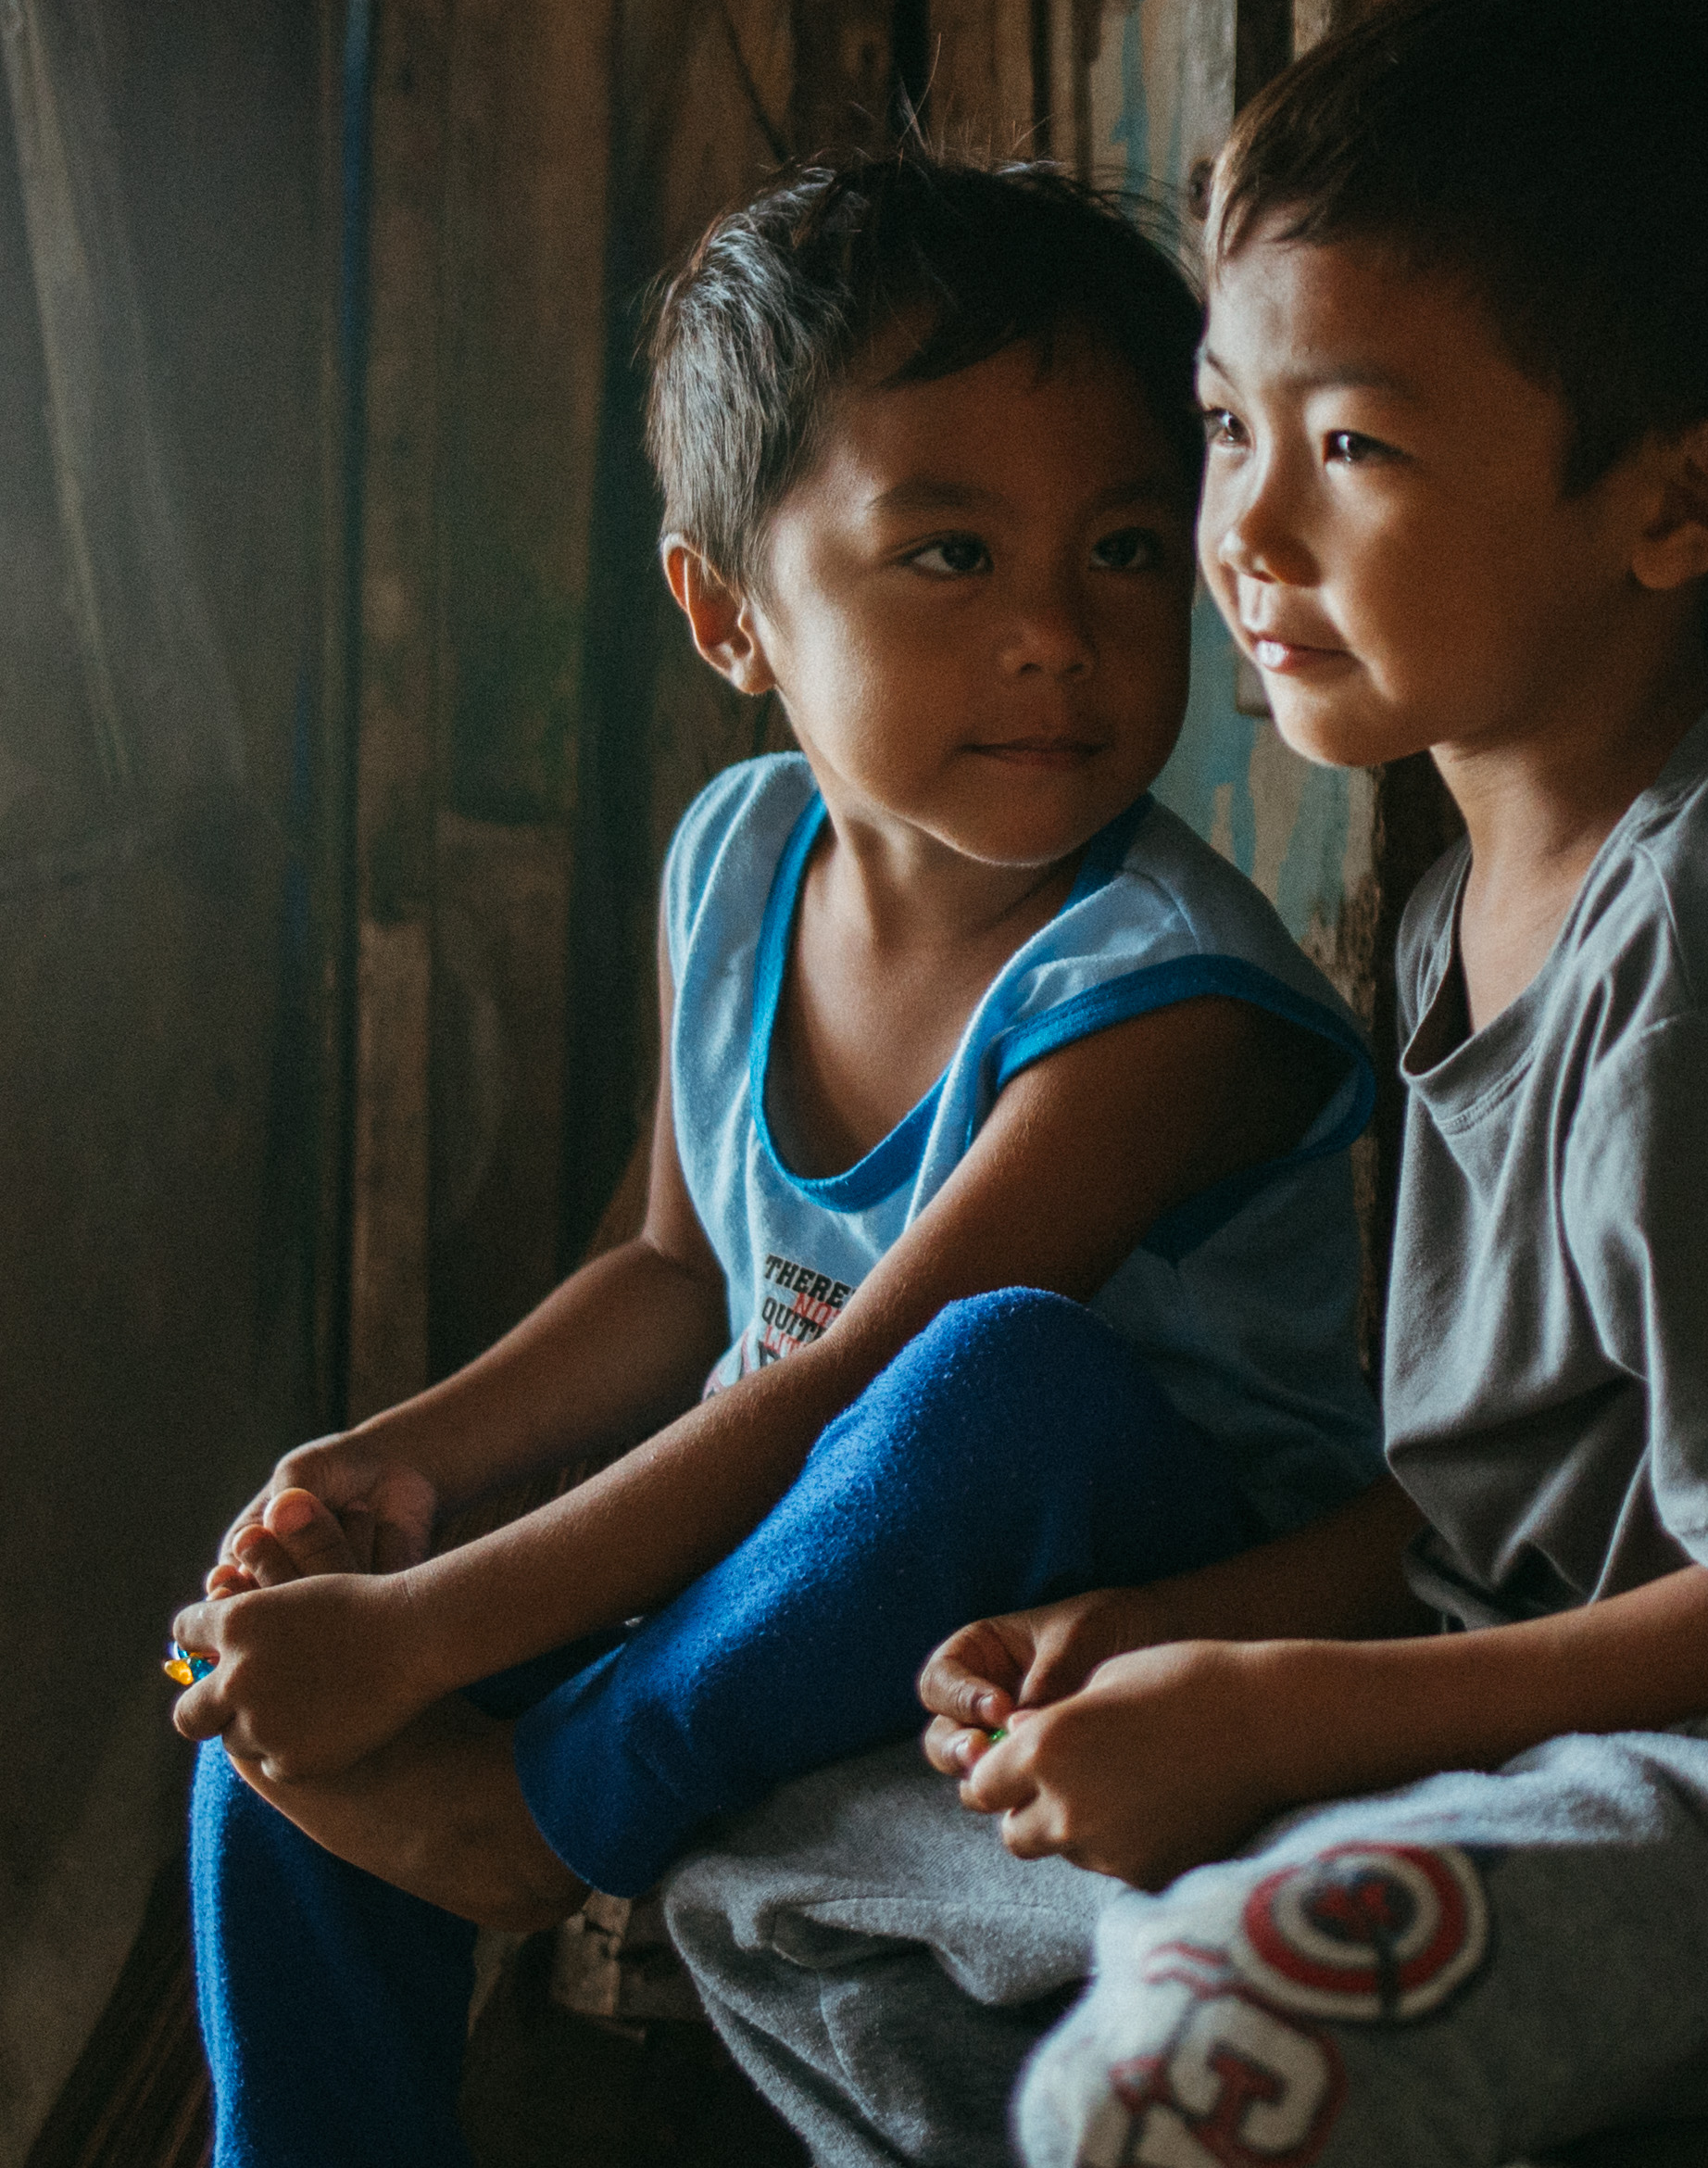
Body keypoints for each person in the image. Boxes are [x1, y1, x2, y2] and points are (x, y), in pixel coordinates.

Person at [662, 0, 1708, 2168]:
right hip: (1531, 1736)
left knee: (1201, 2051)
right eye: (1223, 429)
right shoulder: (1463, 885)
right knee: (782, 1878)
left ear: (1678, 506)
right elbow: (1505, 1520)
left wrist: (1287, 1711)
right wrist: (1174, 1639)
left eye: (1351, 443)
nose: (1241, 536)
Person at [168, 156, 1385, 2168]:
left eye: (1119, 550)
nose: (1055, 640)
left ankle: (550, 1813)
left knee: (995, 1369)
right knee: (278, 1723)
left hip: (1115, 1540)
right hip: (814, 1539)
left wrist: (449, 1631)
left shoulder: (1166, 999)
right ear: (728, 609)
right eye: (948, 557)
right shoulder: (735, 861)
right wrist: (395, 1482)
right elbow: (671, 1275)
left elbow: (859, 1380)